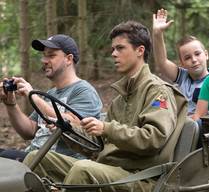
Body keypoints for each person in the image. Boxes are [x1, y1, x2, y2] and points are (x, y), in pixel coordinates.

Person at [23, 21, 188, 191]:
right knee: (35, 158)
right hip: (112, 168)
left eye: (120, 48)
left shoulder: (157, 91)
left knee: (84, 170)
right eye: (113, 49)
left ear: (140, 50)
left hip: (142, 175)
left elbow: (153, 138)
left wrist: (107, 128)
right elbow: (98, 146)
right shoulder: (121, 98)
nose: (114, 54)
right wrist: (67, 128)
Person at [0, 34, 102, 162]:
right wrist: (11, 105)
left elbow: (70, 124)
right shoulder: (50, 93)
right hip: (33, 157)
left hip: (60, 165)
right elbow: (29, 131)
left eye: (51, 55)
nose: (44, 60)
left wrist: (33, 95)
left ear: (69, 59)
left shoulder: (84, 91)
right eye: (44, 55)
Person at [153, 8, 209, 115]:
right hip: (179, 122)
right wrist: (157, 34)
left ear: (206, 55)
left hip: (203, 125)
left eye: (197, 54)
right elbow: (162, 62)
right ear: (181, 63)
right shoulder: (183, 77)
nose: (194, 60)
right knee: (155, 103)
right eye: (187, 58)